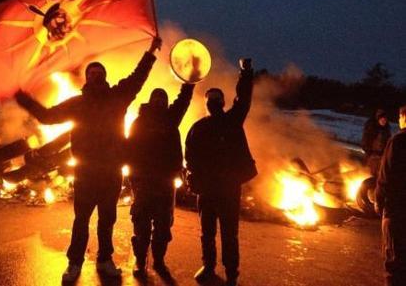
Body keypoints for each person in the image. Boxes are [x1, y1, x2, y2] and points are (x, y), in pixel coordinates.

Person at [15, 37, 161, 283]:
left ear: (104, 77)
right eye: (91, 73)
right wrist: (24, 99)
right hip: (85, 172)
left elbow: (138, 77)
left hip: (111, 171)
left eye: (99, 72)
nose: (95, 76)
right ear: (86, 79)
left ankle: (105, 259)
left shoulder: (117, 98)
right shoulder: (77, 104)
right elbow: (47, 116)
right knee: (81, 220)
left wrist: (151, 51)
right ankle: (74, 262)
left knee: (107, 219)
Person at [185, 58, 257, 286]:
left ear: (223, 102)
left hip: (228, 188)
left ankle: (232, 273)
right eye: (211, 100)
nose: (214, 102)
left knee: (229, 234)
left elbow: (244, 99)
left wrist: (245, 73)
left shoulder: (232, 121)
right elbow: (190, 157)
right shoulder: (198, 128)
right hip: (207, 189)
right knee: (207, 232)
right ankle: (208, 266)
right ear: (206, 103)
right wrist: (192, 180)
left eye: (217, 99)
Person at [127, 82, 195, 281]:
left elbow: (183, 101)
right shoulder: (139, 122)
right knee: (141, 224)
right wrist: (135, 179)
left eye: (162, 98)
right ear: (150, 100)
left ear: (166, 103)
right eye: (156, 97)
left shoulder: (171, 120)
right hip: (144, 182)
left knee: (164, 226)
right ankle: (140, 260)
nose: (159, 101)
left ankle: (158, 260)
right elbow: (130, 151)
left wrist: (189, 82)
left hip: (165, 183)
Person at [375, 105, 406, 286]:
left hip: (397, 209)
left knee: (393, 260)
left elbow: (386, 175)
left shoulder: (399, 141)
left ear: (404, 117)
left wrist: (378, 201)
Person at [362, 109, 391, 177]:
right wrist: (369, 152)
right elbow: (365, 141)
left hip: (381, 156)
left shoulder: (386, 130)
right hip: (372, 156)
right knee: (369, 173)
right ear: (378, 119)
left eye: (385, 120)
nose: (384, 122)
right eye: (382, 120)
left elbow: (388, 142)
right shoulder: (371, 129)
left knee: (379, 174)